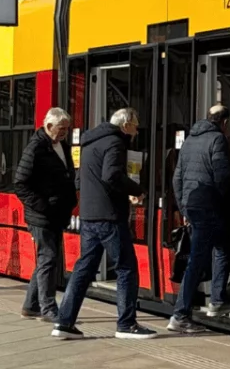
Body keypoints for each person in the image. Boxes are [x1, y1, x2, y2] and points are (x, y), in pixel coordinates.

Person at [51, 107, 157, 340]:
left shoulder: (89, 142)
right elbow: (111, 176)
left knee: (83, 268)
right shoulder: (115, 142)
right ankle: (126, 324)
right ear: (125, 124)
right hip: (109, 217)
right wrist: (136, 190)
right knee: (126, 268)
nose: (137, 131)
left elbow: (80, 179)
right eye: (135, 126)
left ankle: (64, 322)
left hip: (89, 215)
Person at [168, 104, 230, 333]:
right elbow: (222, 176)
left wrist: (184, 207)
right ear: (224, 122)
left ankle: (216, 300)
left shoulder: (189, 140)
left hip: (194, 206)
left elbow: (177, 178)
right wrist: (226, 202)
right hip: (209, 207)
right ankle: (181, 315)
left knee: (221, 246)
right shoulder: (218, 140)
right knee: (199, 258)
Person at [13, 108, 77, 323]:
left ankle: (31, 306)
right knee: (48, 259)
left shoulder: (62, 146)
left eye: (67, 130)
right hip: (42, 215)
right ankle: (48, 309)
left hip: (57, 213)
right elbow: (20, 183)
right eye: (61, 129)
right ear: (48, 126)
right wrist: (42, 205)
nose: (64, 133)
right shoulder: (36, 148)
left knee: (46, 260)